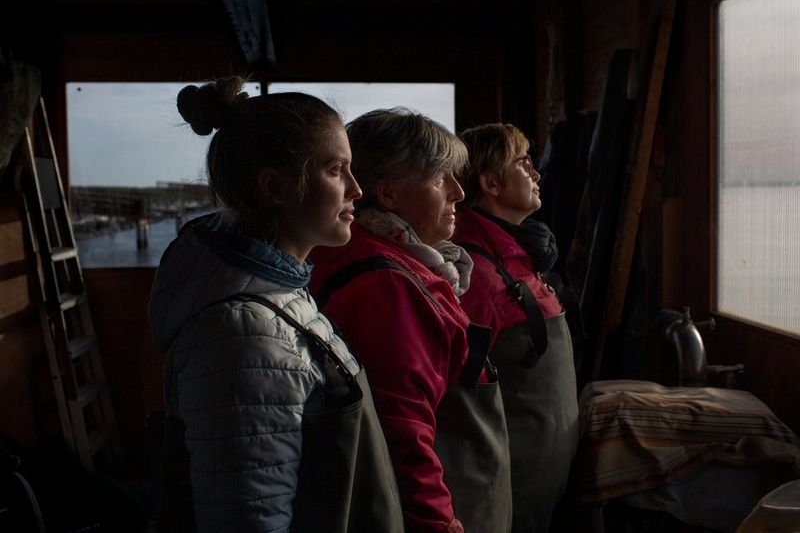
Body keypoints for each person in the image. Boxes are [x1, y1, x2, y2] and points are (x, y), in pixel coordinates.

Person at [147, 77, 403, 533]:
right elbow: (249, 518)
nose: (356, 189)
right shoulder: (241, 335)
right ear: (276, 187)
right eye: (335, 170)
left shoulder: (282, 294)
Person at [309, 108, 512, 533]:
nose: (459, 192)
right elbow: (405, 433)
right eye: (441, 178)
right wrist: (441, 524)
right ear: (387, 196)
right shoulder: (391, 286)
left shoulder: (381, 262)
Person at [453, 123, 579, 533]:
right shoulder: (475, 274)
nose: (536, 173)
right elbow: (456, 394)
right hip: (512, 485)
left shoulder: (518, 257)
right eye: (523, 162)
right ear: (490, 182)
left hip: (545, 478)